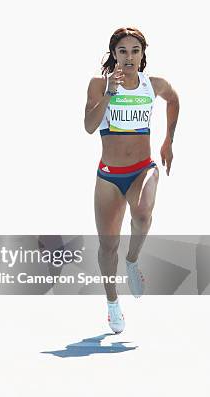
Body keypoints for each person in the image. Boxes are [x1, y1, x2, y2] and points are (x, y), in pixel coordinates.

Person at [84, 28, 179, 333]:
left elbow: (173, 98)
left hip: (143, 168)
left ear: (142, 54)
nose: (128, 57)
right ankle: (112, 303)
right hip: (110, 176)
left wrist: (168, 141)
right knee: (106, 247)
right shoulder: (99, 85)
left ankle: (134, 260)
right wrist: (110, 93)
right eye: (122, 51)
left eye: (134, 50)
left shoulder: (154, 85)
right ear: (113, 55)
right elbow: (88, 127)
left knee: (142, 213)